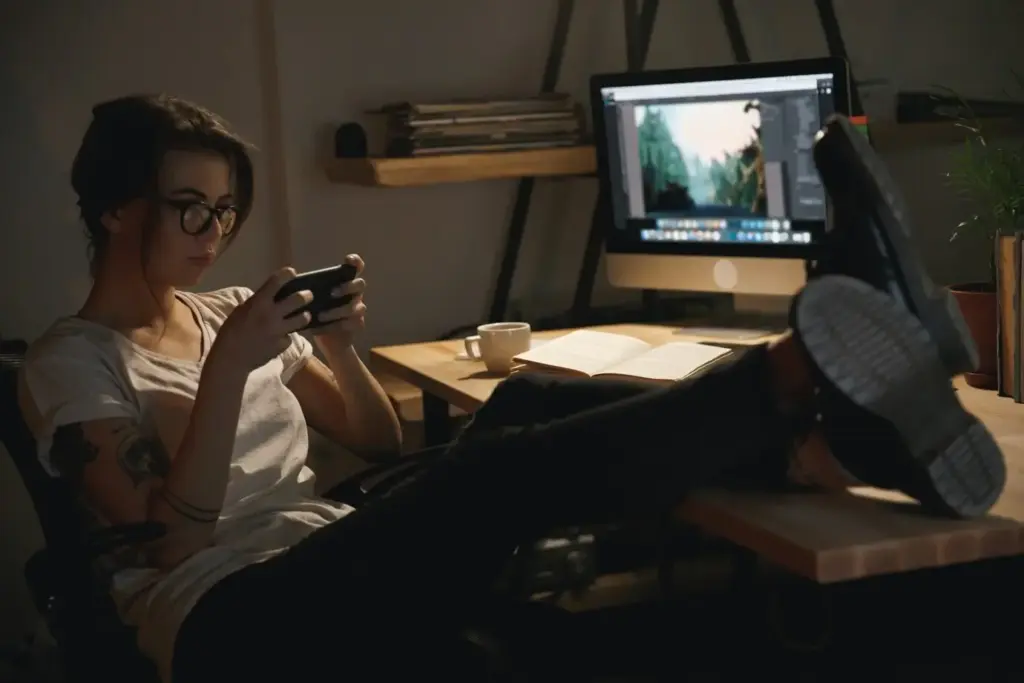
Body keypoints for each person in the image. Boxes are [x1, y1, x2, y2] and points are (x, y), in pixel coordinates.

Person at [18, 94, 1004, 683]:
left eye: (225, 211)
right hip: (228, 617)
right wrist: (232, 367)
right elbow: (169, 539)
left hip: (326, 545)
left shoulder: (226, 309)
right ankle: (805, 370)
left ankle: (831, 441)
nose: (214, 234)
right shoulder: (73, 361)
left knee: (521, 409)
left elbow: (375, 437)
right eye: (188, 208)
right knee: (485, 478)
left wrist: (343, 349)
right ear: (115, 210)